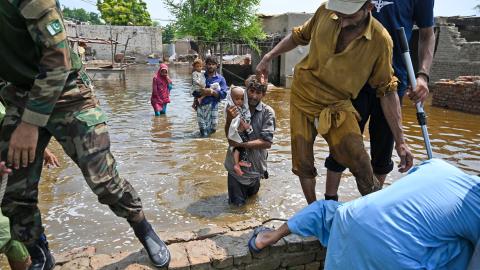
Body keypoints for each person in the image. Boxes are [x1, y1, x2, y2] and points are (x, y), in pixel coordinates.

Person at [0, 1, 170, 269]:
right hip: (19, 94)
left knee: (104, 181)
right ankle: (39, 252)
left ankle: (142, 227)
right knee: (15, 192)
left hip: (68, 91)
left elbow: (58, 59)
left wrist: (31, 124)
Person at [256, 0, 414, 204]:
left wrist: (401, 141)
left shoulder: (381, 40)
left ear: (369, 7)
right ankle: (315, 212)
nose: (343, 22)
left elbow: (386, 90)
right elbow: (298, 36)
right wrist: (269, 56)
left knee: (358, 157)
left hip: (338, 103)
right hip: (303, 93)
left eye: (350, 16)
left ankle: (372, 210)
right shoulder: (325, 11)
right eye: (339, 14)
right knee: (302, 160)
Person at [247, 159, 480, 269]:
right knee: (464, 246)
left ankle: (267, 237)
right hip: (392, 257)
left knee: (325, 209)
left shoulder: (437, 165)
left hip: (351, 221)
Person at [323, 0, 436, 201]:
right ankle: (328, 203)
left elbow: (427, 34)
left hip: (393, 79)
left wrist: (422, 75)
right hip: (353, 79)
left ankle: (370, 206)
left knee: (383, 150)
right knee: (341, 144)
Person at [224, 76, 275, 206]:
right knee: (236, 208)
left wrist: (242, 144)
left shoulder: (267, 113)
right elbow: (229, 138)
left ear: (263, 94)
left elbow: (267, 143)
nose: (253, 96)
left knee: (253, 203)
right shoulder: (234, 109)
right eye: (251, 91)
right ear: (246, 91)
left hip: (256, 171)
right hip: (235, 172)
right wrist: (229, 119)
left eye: (258, 93)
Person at [193, 56, 227, 137]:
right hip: (201, 105)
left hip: (213, 105)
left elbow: (224, 94)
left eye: (213, 64)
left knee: (214, 127)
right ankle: (204, 144)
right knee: (203, 128)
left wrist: (212, 92)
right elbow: (194, 91)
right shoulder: (200, 76)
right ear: (205, 65)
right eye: (209, 64)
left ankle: (209, 141)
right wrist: (198, 96)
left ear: (216, 65)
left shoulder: (221, 79)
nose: (211, 66)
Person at [226, 86, 253, 176]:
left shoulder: (239, 108)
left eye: (242, 99)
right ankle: (241, 161)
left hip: (237, 132)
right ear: (231, 98)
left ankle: (237, 164)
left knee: (238, 147)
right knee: (242, 145)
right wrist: (245, 125)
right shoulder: (232, 108)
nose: (240, 101)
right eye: (237, 99)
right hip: (238, 132)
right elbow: (239, 118)